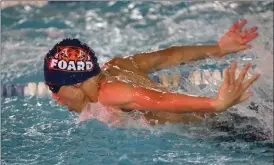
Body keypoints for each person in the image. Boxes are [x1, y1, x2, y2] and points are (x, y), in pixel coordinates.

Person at [44, 19, 260, 125]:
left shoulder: (110, 93)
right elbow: (171, 55)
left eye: (54, 88)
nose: (55, 97)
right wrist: (219, 49)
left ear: (75, 83)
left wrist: (215, 104)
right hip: (230, 116)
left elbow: (159, 100)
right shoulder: (119, 65)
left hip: (219, 128)